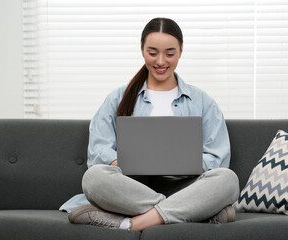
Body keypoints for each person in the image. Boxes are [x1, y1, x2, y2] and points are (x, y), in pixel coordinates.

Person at [60, 17, 239, 231]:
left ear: (181, 51)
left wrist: (184, 162)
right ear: (142, 49)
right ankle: (190, 212)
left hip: (185, 187)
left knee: (227, 179)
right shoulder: (118, 98)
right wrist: (127, 162)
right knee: (93, 178)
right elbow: (98, 151)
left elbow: (217, 159)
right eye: (152, 53)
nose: (161, 61)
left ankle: (132, 223)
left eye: (170, 53)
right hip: (131, 189)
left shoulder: (202, 101)